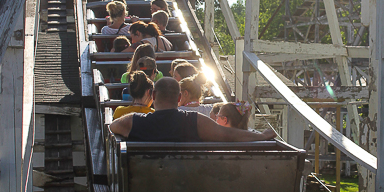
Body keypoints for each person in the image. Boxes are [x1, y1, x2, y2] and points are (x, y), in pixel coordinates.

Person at [109, 77, 275, 143]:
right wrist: (261, 136)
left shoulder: (133, 122)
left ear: (153, 95)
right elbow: (229, 134)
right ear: (180, 97)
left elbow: (112, 126)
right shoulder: (196, 121)